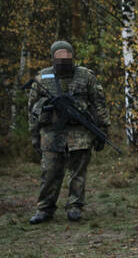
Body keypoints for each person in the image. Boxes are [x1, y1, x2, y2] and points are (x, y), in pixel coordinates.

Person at [27, 41, 110, 224]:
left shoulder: (85, 76)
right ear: (52, 56)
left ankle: (74, 206)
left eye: (67, 55)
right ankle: (44, 208)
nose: (64, 59)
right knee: (49, 172)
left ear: (73, 55)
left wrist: (102, 129)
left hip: (80, 132)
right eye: (59, 56)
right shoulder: (42, 77)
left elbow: (99, 103)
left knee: (78, 172)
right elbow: (32, 108)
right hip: (51, 132)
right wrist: (34, 134)